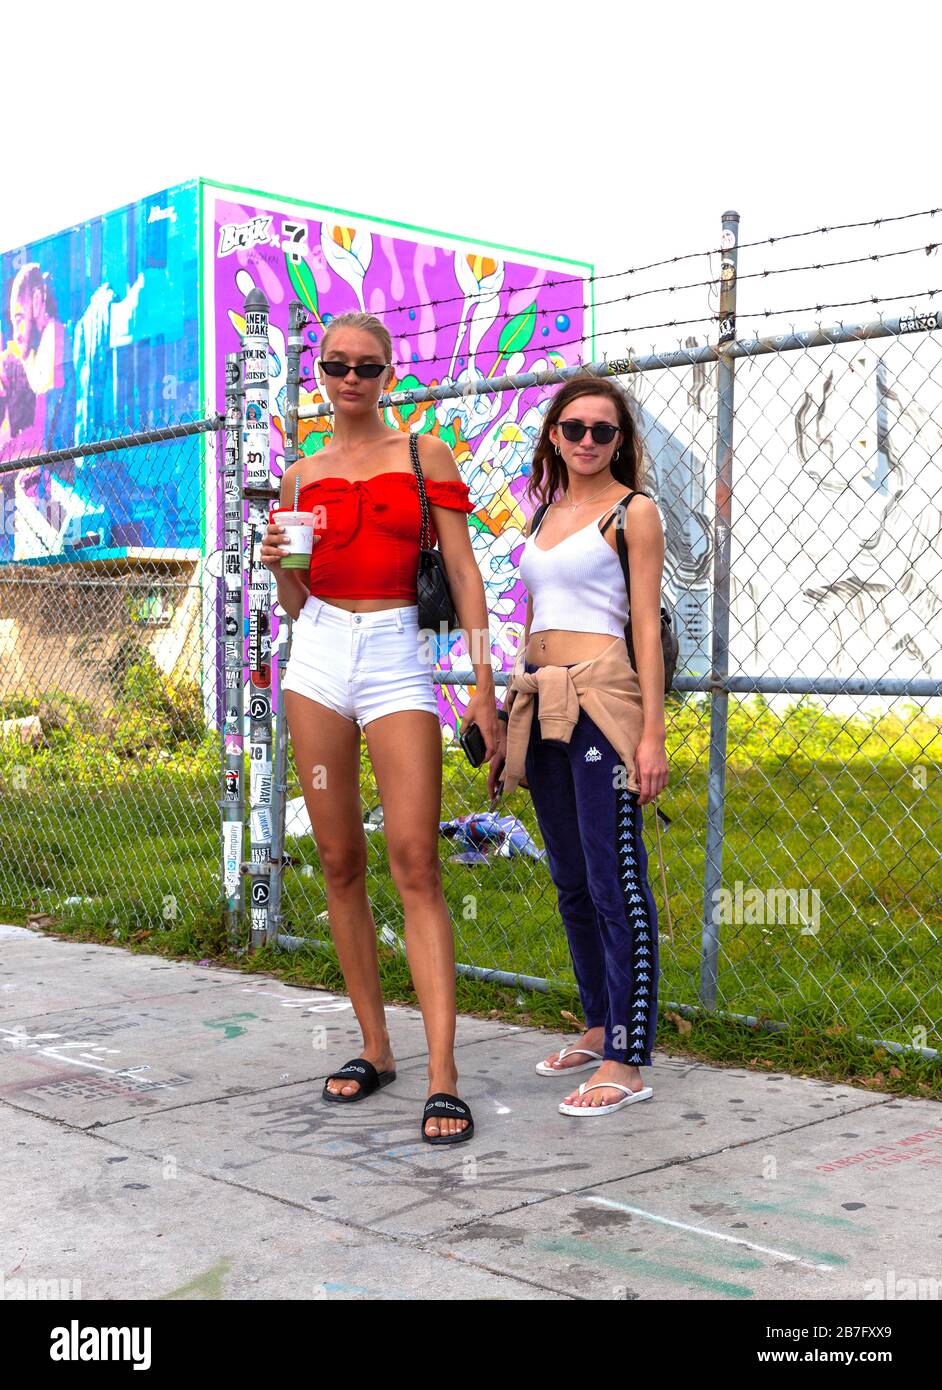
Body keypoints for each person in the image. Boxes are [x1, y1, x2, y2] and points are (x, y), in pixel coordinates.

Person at [260, 311, 499, 1145]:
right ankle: (374, 1046)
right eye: (336, 365)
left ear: (389, 373)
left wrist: (481, 683)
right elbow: (294, 603)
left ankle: (443, 1074)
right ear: (319, 373)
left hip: (399, 651)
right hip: (320, 653)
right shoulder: (300, 475)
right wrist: (279, 565)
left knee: (416, 857)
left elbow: (464, 573)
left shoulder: (423, 456)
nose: (351, 378)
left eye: (367, 366)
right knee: (336, 858)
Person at [487, 376, 669, 1116]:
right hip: (540, 695)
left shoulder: (636, 512)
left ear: (620, 440)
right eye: (574, 429)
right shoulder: (546, 514)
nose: (588, 441)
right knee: (568, 878)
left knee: (613, 878)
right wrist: (504, 711)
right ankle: (596, 1024)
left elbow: (647, 629)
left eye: (603, 430)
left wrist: (652, 735)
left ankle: (627, 1057)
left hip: (602, 700)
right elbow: (535, 611)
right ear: (553, 437)